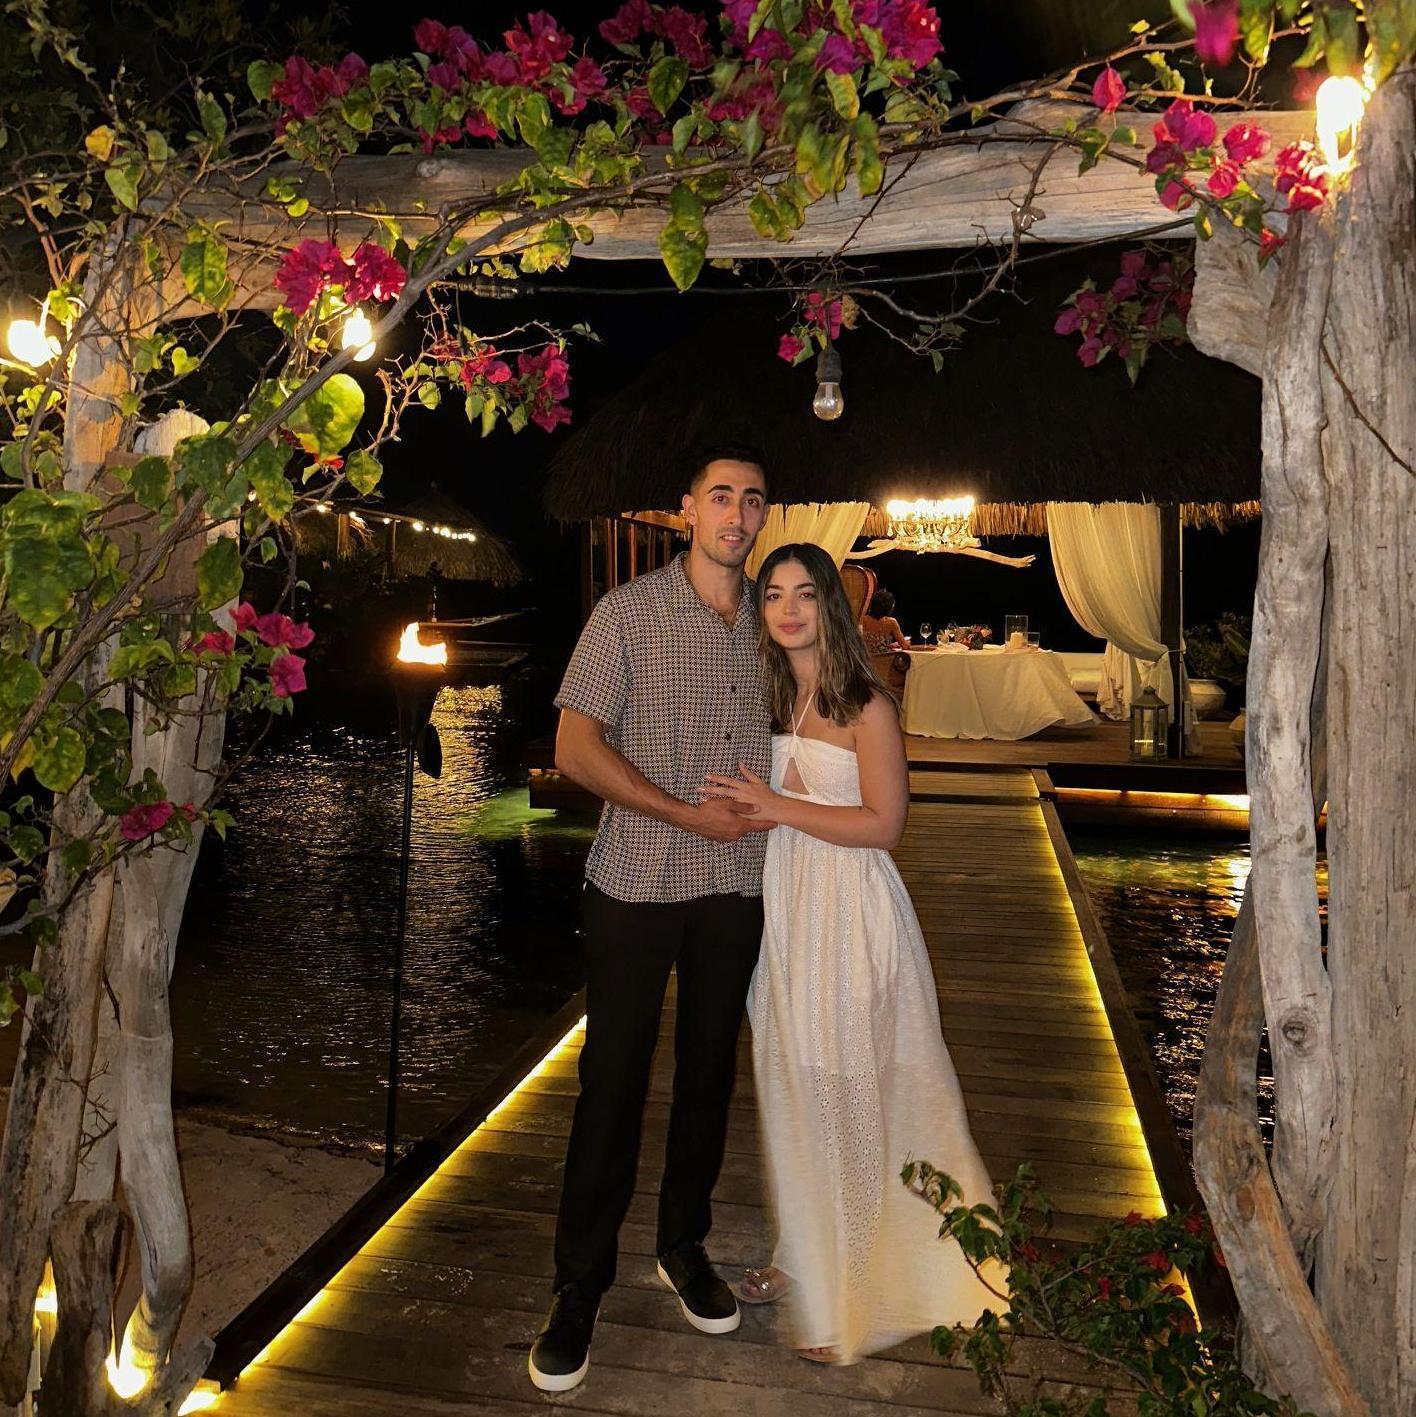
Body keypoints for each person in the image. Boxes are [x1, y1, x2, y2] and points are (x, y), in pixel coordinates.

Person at [703, 542, 1004, 1364]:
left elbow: (885, 825)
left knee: (848, 1089)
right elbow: (759, 802)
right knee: (794, 1083)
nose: (788, 608)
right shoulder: (769, 698)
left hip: (850, 912)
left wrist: (776, 805)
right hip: (787, 913)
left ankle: (856, 1287)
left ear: (831, 606)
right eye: (774, 594)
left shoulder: (866, 704)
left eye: (805, 593)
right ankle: (803, 1253)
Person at [529, 446, 773, 1393]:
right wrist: (681, 812)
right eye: (722, 497)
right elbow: (574, 746)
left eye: (753, 501)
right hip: (636, 880)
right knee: (612, 1083)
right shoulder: (627, 613)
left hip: (737, 883)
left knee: (709, 1075)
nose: (737, 515)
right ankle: (577, 1285)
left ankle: (682, 1244)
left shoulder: (774, 624)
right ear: (687, 510)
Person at [861, 586, 912, 698]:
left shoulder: (863, 619)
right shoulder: (891, 622)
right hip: (886, 670)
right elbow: (905, 646)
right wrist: (906, 642)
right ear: (889, 607)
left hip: (867, 667)